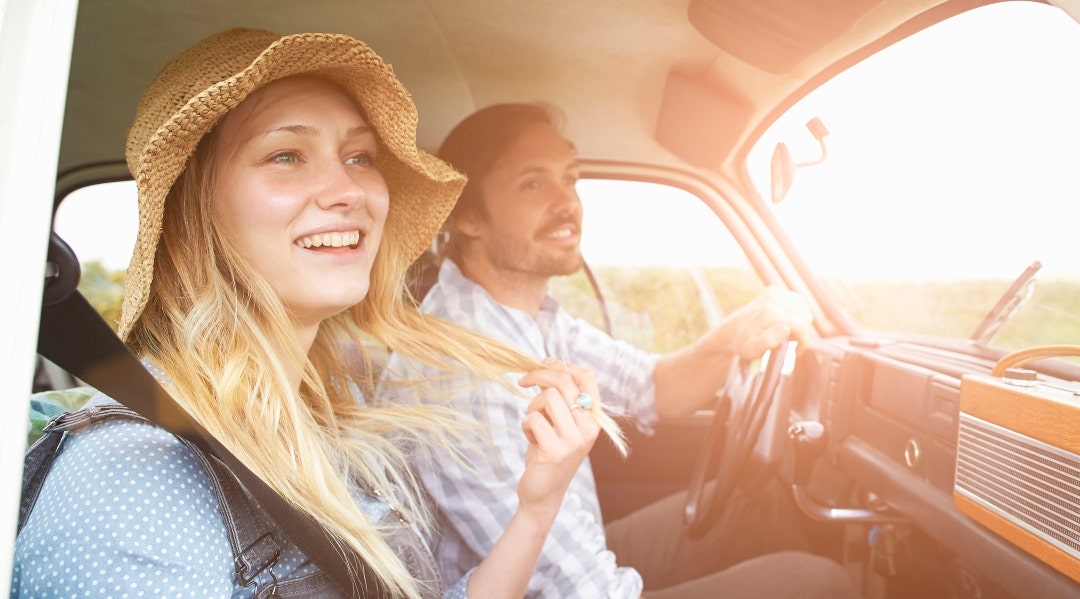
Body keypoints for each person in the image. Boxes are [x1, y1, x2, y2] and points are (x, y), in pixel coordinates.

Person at [13, 30, 622, 599]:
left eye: (359, 157)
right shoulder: (133, 481)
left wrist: (537, 505)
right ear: (196, 210)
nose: (349, 190)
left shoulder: (322, 418)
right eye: (286, 156)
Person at [415, 102, 858, 598]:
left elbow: (649, 387)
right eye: (533, 184)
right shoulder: (463, 366)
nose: (568, 202)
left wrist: (731, 338)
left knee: (762, 505)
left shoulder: (529, 317)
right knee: (818, 584)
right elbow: (572, 585)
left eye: (571, 178)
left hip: (574, 549)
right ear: (468, 216)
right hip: (549, 586)